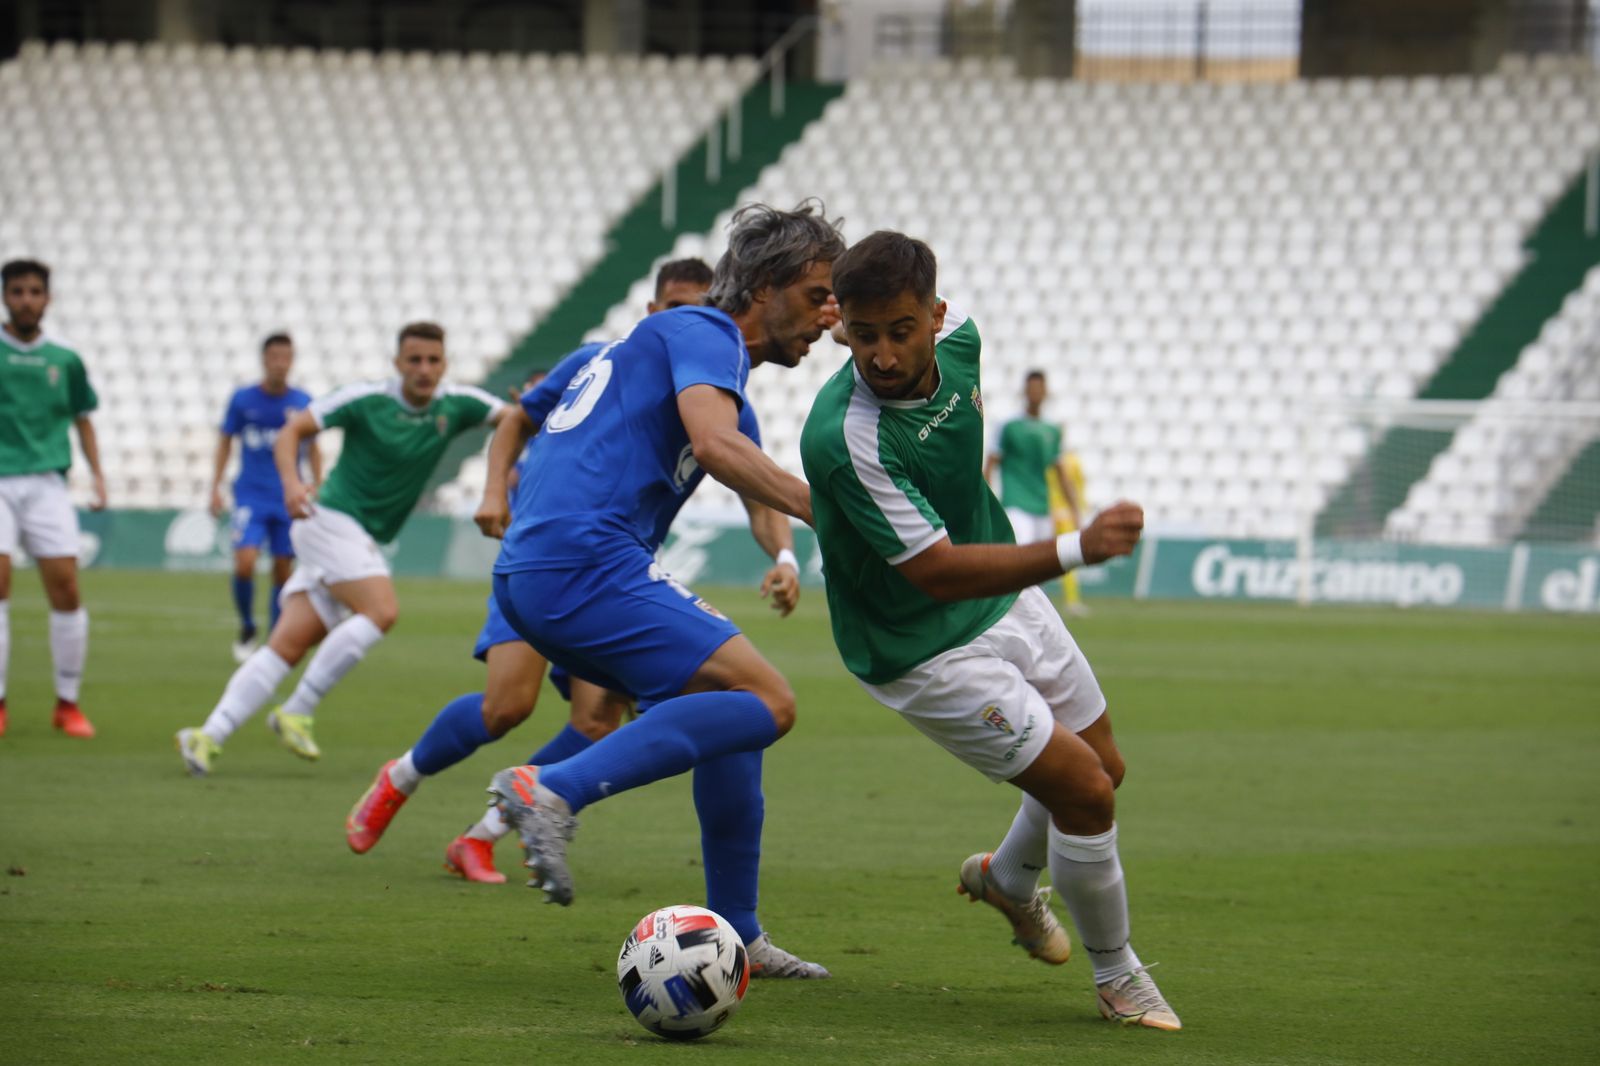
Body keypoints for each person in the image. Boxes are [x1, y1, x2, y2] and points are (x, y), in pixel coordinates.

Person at [799, 231, 1179, 1030]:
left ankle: (1008, 880)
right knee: (1081, 790)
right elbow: (935, 574)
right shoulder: (845, 438)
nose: (884, 356)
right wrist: (1078, 547)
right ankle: (1119, 977)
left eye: (901, 330)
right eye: (864, 337)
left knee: (1104, 767)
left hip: (1001, 589)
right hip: (917, 646)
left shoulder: (964, 337)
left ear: (937, 316)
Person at [480, 202, 842, 978]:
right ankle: (552, 789)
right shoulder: (704, 333)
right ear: (768, 284)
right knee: (772, 701)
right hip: (584, 562)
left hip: (542, 566)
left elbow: (725, 448)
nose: (828, 315)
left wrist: (782, 545)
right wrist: (833, 513)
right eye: (817, 294)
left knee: (733, 718)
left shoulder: (669, 347)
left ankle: (738, 933)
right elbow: (716, 447)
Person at [345, 260, 766, 886]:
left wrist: (783, 559)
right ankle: (400, 777)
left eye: (701, 306)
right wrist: (493, 491)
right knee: (505, 708)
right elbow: (518, 418)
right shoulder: (599, 360)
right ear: (653, 313)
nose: (690, 319)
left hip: (615, 574)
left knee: (597, 719)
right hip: (551, 557)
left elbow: (757, 494)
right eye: (677, 306)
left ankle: (478, 836)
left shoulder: (719, 400)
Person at [175, 322, 508, 775]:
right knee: (382, 611)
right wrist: (292, 484)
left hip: (358, 533)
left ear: (444, 363)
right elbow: (293, 430)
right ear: (398, 364)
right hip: (329, 519)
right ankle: (299, 708)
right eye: (414, 360)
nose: (424, 369)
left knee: (286, 645)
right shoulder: (367, 400)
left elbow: (514, 418)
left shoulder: (458, 404)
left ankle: (207, 736)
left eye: (433, 360)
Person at [0, 258, 105, 740]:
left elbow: (83, 417)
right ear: (5, 297)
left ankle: (67, 703)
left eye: (34, 291)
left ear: (48, 299)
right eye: (17, 291)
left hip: (47, 483)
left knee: (66, 590)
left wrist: (99, 476)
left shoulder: (65, 361)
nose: (25, 299)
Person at [209, 333, 321, 663]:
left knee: (282, 570)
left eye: (286, 357)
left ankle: (274, 639)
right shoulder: (243, 400)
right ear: (264, 359)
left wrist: (318, 483)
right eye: (274, 356)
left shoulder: (302, 401)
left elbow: (313, 447)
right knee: (244, 562)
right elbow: (226, 440)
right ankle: (246, 624)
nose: (280, 363)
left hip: (288, 496)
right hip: (250, 495)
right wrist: (215, 485)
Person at [985, 370, 1089, 615]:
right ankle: (1007, 615)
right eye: (1031, 388)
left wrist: (1074, 508)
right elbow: (990, 465)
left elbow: (1060, 472)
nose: (1035, 393)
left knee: (1038, 573)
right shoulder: (1008, 426)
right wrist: (986, 504)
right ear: (1025, 392)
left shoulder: (1052, 430)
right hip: (1015, 504)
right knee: (1020, 563)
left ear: (1045, 392)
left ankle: (1031, 619)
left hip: (1042, 507)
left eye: (1039, 388)